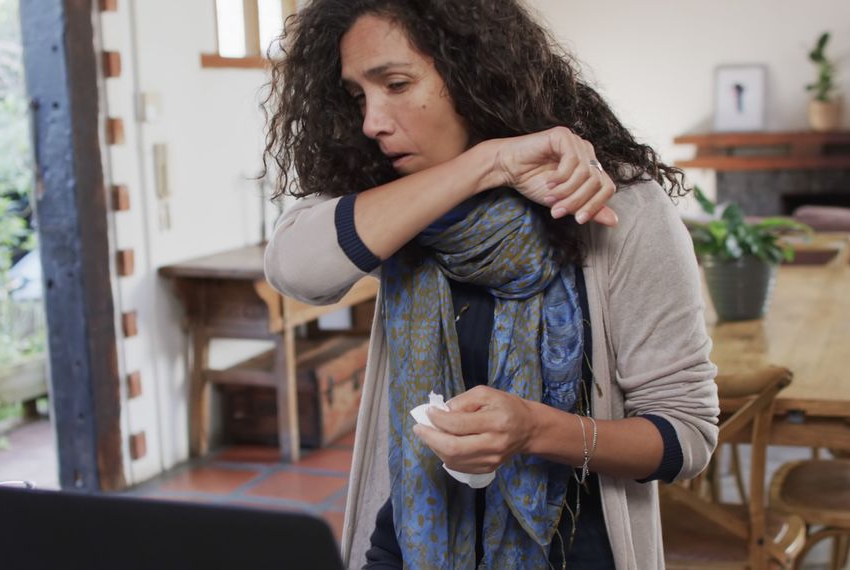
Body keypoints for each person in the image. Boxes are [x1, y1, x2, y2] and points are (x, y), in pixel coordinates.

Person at [261, 1, 719, 568]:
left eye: (397, 84)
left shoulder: (618, 208)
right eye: (358, 96)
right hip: (409, 543)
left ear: (476, 74)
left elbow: (685, 438)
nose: (372, 122)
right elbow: (294, 269)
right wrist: (487, 163)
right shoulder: (395, 198)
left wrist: (534, 431)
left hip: (572, 551)